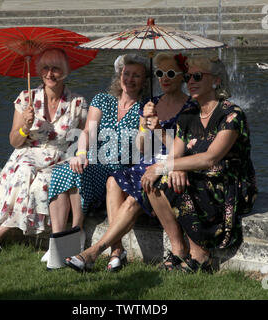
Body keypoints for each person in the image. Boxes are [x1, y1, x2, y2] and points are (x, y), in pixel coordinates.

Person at [64, 52, 197, 272]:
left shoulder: (190, 106)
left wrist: (160, 131)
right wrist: (146, 125)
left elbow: (188, 147)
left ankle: (93, 252)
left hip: (173, 163)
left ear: (182, 76)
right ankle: (117, 251)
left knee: (134, 198)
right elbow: (143, 147)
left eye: (171, 73)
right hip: (147, 162)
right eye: (160, 73)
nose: (165, 77)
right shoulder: (151, 104)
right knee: (112, 182)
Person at [140, 55, 258, 272]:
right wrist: (171, 165)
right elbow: (175, 154)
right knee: (152, 182)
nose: (190, 82)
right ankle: (178, 250)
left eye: (197, 76)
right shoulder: (188, 115)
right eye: (187, 77)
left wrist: (169, 167)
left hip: (230, 183)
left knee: (177, 183)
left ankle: (201, 255)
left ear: (216, 81)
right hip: (200, 176)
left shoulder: (232, 115)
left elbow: (211, 158)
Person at [0, 48, 88, 256]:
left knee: (41, 185)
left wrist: (81, 153)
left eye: (56, 69)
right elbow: (14, 141)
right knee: (25, 172)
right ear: (39, 72)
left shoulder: (77, 102)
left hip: (59, 157)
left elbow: (84, 137)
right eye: (46, 69)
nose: (50, 74)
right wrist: (25, 125)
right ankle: (2, 234)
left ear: (65, 72)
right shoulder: (26, 99)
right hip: (28, 155)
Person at [45, 53, 149, 263]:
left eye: (136, 75)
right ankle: (60, 240)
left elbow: (142, 148)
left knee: (79, 176)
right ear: (119, 76)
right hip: (95, 162)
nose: (129, 79)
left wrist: (146, 123)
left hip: (120, 168)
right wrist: (81, 154)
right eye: (126, 74)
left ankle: (77, 231)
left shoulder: (145, 108)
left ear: (145, 81)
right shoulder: (103, 99)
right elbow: (87, 132)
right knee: (64, 171)